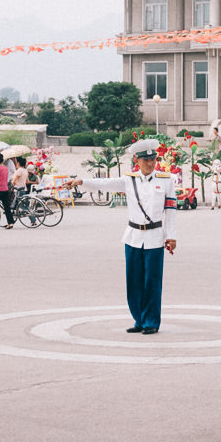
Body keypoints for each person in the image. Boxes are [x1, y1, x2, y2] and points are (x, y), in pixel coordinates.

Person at [66, 139, 177, 335]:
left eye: (153, 159)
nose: (151, 163)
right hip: (133, 236)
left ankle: (151, 321)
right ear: (137, 160)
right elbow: (105, 184)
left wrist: (171, 236)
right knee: (133, 281)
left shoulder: (166, 180)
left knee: (152, 281)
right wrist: (81, 182)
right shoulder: (129, 179)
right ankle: (139, 320)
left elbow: (171, 210)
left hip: (155, 237)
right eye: (146, 160)